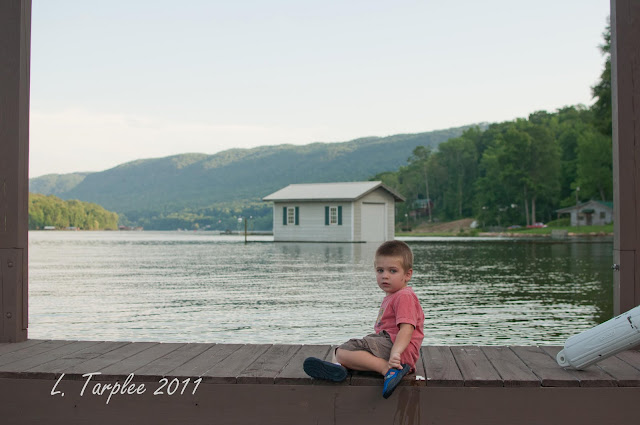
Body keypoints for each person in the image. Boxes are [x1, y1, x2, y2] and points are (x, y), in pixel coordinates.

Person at [303, 240, 425, 399]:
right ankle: (339, 369)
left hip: (397, 350)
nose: (385, 276)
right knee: (340, 351)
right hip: (390, 346)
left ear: (408, 274)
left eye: (392, 271)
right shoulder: (394, 296)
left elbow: (407, 329)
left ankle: (387, 370)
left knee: (343, 352)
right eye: (380, 270)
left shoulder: (404, 296)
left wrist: (396, 352)